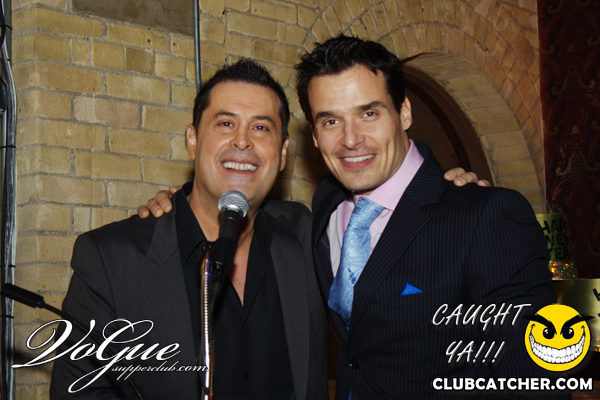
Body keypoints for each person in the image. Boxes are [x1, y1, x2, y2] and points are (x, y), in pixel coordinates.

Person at [294, 35, 562, 399]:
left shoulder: (486, 215)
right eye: (330, 121)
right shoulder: (326, 202)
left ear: (404, 112)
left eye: (369, 113)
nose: (351, 139)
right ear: (314, 135)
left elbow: (536, 383)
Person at [50, 59, 328, 399]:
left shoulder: (305, 235)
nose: (242, 141)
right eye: (225, 123)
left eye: (261, 127)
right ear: (193, 140)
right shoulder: (110, 261)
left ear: (282, 154)